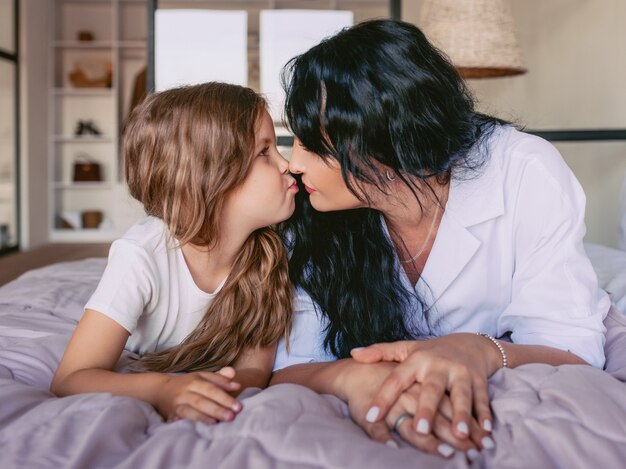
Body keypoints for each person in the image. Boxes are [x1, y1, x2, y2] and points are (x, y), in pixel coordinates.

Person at [271, 19, 610, 460]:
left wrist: (481, 350)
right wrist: (351, 379)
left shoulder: (526, 171)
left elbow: (574, 348)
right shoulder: (308, 211)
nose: (292, 163)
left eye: (314, 146)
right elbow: (290, 368)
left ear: (387, 140)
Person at [51, 82, 299, 425]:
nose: (288, 165)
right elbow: (70, 377)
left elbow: (253, 369)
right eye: (264, 152)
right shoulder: (141, 255)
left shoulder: (270, 254)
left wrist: (217, 393)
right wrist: (163, 390)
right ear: (210, 177)